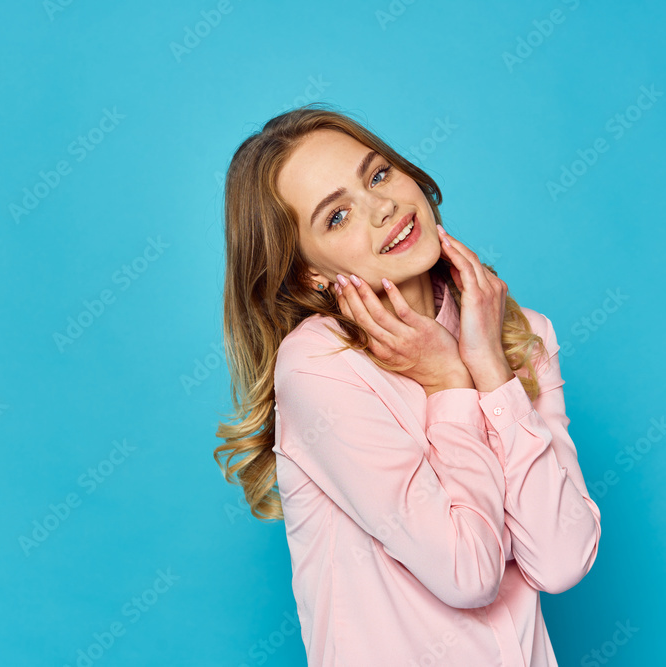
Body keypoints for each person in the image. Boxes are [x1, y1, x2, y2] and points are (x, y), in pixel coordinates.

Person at [215, 103, 601, 667]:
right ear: (308, 273)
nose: (383, 208)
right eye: (337, 216)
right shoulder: (319, 368)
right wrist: (449, 383)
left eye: (378, 175)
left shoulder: (522, 333)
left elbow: (563, 560)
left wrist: (492, 372)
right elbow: (469, 573)